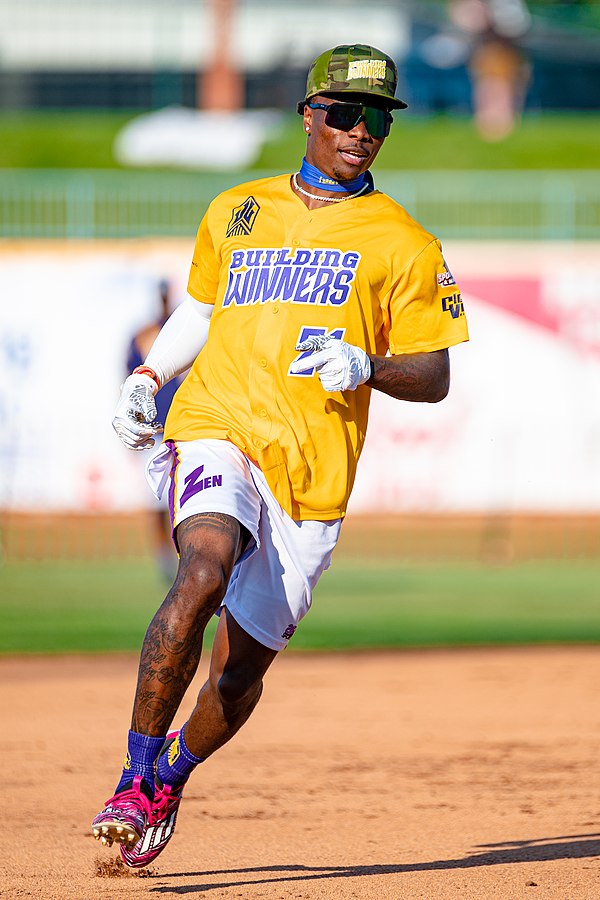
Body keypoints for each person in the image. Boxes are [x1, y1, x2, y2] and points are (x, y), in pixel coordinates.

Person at [92, 43, 469, 869]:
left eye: (376, 117)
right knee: (200, 571)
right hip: (219, 419)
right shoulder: (237, 208)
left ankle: (171, 778)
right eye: (343, 112)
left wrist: (369, 364)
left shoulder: (405, 240)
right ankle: (133, 773)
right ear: (309, 115)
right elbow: (200, 306)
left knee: (239, 671)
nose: (360, 130)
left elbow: (436, 374)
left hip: (313, 471)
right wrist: (151, 374)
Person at [126, 278, 180, 581]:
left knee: (182, 496)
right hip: (155, 427)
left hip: (182, 424)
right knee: (156, 499)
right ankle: (163, 557)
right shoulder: (147, 334)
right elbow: (131, 376)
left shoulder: (182, 330)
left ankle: (182, 554)